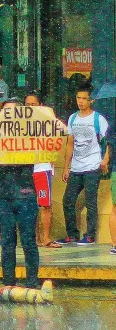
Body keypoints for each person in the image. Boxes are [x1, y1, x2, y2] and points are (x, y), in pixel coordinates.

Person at [0, 100, 40, 288]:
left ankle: (32, 284)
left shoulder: (29, 134)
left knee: (28, 242)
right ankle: (9, 284)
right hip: (4, 196)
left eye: (13, 112)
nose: (9, 115)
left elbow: (42, 152)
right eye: (6, 112)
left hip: (26, 194)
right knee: (7, 243)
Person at [57, 84, 109, 246]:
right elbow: (70, 144)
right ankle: (72, 234)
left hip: (92, 166)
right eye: (78, 98)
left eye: (84, 98)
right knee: (68, 200)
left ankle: (90, 235)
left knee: (90, 201)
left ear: (91, 100)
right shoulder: (72, 118)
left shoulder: (98, 119)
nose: (80, 101)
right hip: (76, 167)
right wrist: (67, 166)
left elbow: (108, 142)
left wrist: (105, 160)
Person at [24, 93, 61, 248]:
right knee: (28, 205)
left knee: (45, 205)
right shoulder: (19, 125)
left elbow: (58, 136)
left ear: (40, 105)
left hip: (42, 168)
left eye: (34, 104)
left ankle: (46, 238)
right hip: (25, 169)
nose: (30, 107)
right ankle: (34, 239)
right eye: (27, 105)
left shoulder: (48, 122)